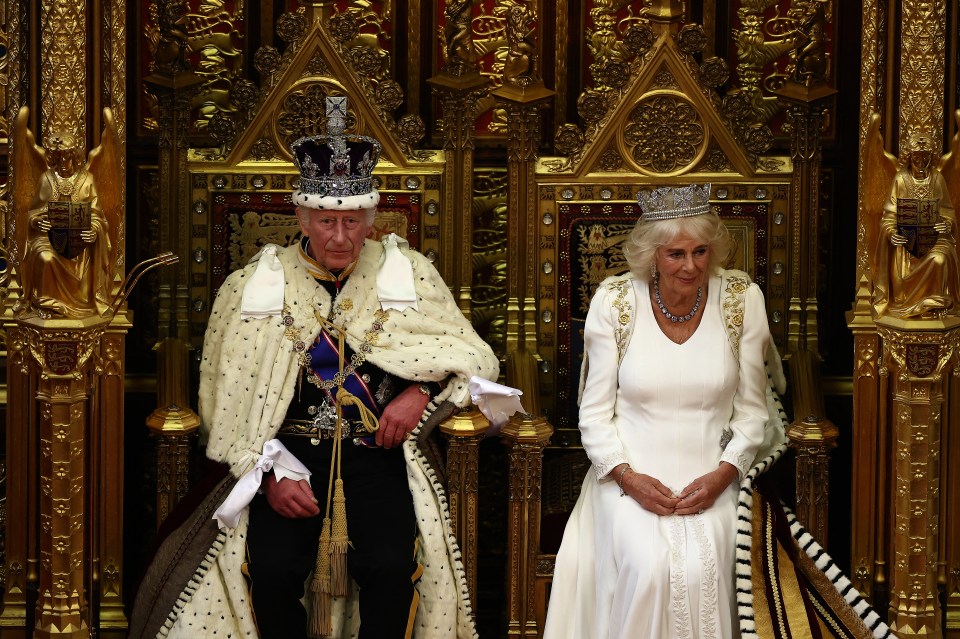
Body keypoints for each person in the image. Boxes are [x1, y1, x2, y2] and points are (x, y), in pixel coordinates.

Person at [131, 97, 499, 639]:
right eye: (327, 221)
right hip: (287, 458)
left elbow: (471, 358)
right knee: (274, 570)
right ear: (301, 217)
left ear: (371, 219)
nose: (340, 237)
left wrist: (420, 391)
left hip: (379, 456)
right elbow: (224, 400)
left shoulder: (408, 272)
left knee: (394, 569)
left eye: (353, 222)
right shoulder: (252, 285)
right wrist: (268, 471)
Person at [542, 183, 772, 639]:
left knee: (704, 569)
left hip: (715, 476)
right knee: (649, 567)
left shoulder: (741, 299)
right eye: (676, 254)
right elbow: (594, 414)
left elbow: (752, 412)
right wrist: (628, 478)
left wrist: (723, 476)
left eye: (701, 251)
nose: (692, 266)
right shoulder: (615, 302)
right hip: (628, 478)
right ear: (652, 255)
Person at [21, 133, 113, 317]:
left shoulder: (87, 180)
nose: (63, 161)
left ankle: (83, 303)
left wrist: (94, 230)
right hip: (48, 239)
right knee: (44, 257)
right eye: (58, 157)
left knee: (83, 256)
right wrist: (37, 221)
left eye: (67, 156)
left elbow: (97, 215)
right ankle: (46, 304)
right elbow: (32, 212)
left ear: (75, 156)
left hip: (79, 242)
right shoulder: (46, 179)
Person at [873, 134, 960, 318]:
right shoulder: (900, 179)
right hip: (906, 243)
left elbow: (948, 212)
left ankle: (935, 305)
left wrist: (947, 224)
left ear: (931, 156)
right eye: (917, 157)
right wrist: (891, 233)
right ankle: (907, 303)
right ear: (909, 156)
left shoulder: (937, 179)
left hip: (934, 241)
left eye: (926, 156)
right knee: (901, 275)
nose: (921, 161)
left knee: (940, 260)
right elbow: (888, 216)